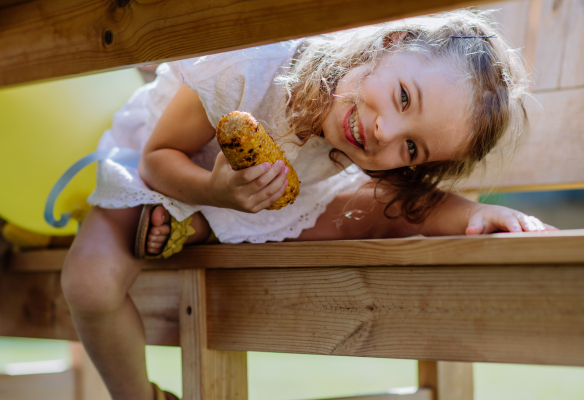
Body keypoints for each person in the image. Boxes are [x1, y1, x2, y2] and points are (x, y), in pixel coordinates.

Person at [60, 9, 555, 400]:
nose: (385, 133)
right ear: (386, 44)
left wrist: (476, 215)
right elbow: (154, 159)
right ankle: (139, 396)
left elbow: (398, 206)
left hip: (264, 198)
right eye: (404, 97)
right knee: (88, 283)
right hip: (169, 168)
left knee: (375, 216)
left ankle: (201, 225)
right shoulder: (249, 69)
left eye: (411, 149)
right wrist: (211, 192)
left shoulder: (359, 131)